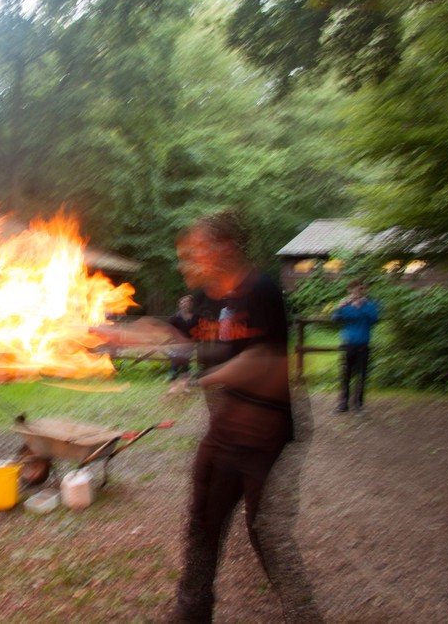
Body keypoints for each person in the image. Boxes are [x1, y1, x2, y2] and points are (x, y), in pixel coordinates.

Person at [165, 210, 318, 623]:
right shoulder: (206, 299)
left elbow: (262, 359)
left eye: (197, 249)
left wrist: (203, 380)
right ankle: (192, 613)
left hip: (265, 430)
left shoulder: (260, 290)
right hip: (225, 429)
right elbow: (183, 339)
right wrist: (117, 334)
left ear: (226, 247)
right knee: (202, 522)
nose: (188, 259)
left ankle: (303, 616)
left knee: (265, 532)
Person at [331, 279, 380, 414]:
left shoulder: (369, 305)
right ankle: (343, 404)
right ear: (350, 290)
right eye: (358, 288)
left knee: (361, 376)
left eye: (363, 289)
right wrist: (341, 307)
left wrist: (361, 306)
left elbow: (375, 319)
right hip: (348, 345)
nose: (361, 291)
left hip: (363, 345)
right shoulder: (345, 306)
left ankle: (358, 404)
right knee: (346, 375)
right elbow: (335, 319)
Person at [167, 295, 197, 386]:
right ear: (180, 304)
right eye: (183, 302)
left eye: (188, 302)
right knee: (175, 359)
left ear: (191, 304)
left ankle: (185, 376)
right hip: (177, 343)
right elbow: (170, 329)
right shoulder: (175, 317)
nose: (185, 304)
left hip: (189, 343)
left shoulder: (196, 317)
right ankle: (173, 375)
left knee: (186, 360)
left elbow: (199, 329)